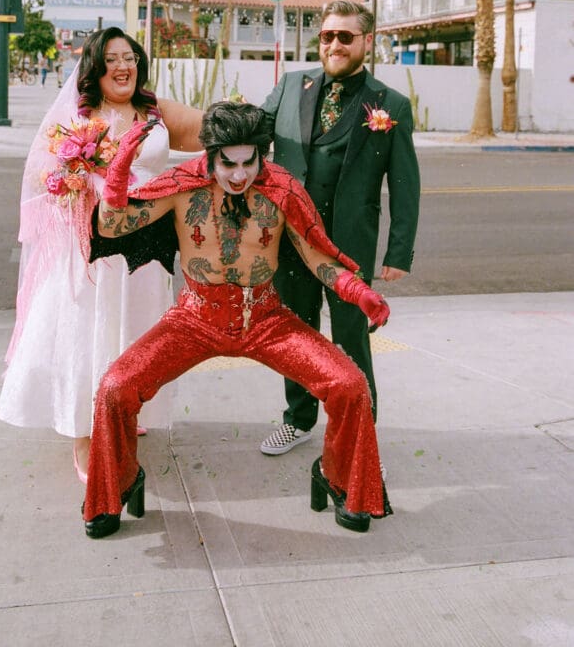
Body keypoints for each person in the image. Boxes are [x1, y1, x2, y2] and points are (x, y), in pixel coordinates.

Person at [82, 102, 392, 539]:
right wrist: (117, 175)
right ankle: (120, 482)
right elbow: (113, 227)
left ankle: (337, 477)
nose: (240, 174)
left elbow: (317, 256)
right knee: (115, 388)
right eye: (228, 163)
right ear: (209, 155)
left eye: (250, 162)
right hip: (193, 318)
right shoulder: (181, 184)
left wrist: (359, 292)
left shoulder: (282, 190)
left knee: (349, 386)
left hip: (266, 318)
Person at [0, 27, 203, 481]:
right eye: (111, 58)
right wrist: (73, 183)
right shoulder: (80, 117)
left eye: (129, 57)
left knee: (136, 335)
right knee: (90, 339)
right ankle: (84, 437)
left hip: (145, 252)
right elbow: (47, 178)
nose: (123, 66)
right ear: (94, 66)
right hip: (93, 256)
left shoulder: (153, 111)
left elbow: (209, 130)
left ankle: (125, 410)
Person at [258, 0, 420, 456]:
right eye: (327, 35)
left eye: (345, 36)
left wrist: (398, 251)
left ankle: (360, 429)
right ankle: (299, 418)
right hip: (292, 240)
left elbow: (405, 184)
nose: (334, 44)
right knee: (296, 331)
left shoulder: (391, 105)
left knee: (350, 336)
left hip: (348, 245)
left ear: (367, 41)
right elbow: (253, 134)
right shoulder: (291, 85)